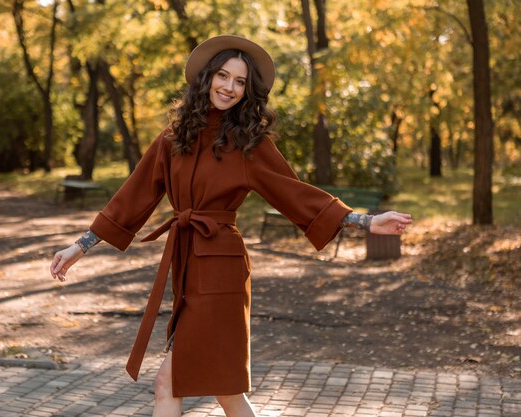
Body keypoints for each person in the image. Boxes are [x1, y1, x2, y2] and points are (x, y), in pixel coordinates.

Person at [50, 35, 412, 417]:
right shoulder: (173, 138)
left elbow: (295, 193)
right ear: (206, 78)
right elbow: (133, 196)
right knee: (225, 391)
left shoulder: (248, 143)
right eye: (223, 76)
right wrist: (81, 246)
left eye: (240, 82)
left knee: (170, 383)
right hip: (187, 266)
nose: (230, 87)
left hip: (222, 271)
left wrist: (365, 220)